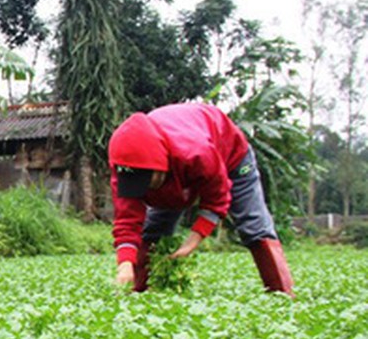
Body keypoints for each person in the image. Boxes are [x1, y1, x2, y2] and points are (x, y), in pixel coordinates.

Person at [108, 102, 293, 295]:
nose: (142, 188)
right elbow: (127, 220)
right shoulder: (124, 168)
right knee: (153, 231)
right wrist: (125, 263)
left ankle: (282, 292)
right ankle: (140, 291)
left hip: (231, 159)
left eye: (147, 181)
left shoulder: (196, 152)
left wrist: (191, 244)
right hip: (176, 172)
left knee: (253, 225)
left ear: (160, 166)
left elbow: (217, 199)